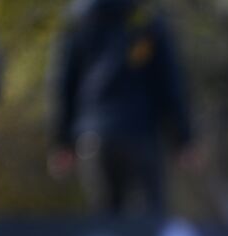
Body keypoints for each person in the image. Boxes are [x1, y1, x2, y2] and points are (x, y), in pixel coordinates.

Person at [49, 0, 193, 214]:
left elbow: (63, 84)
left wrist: (62, 141)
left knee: (108, 224)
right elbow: (168, 82)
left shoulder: (77, 19)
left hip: (93, 136)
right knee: (150, 219)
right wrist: (183, 138)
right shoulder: (147, 19)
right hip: (141, 134)